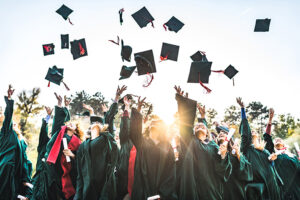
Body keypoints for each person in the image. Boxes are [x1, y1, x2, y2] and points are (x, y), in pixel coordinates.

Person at [175, 86, 231, 200]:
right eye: (196, 126)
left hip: (211, 188)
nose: (199, 126)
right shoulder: (190, 141)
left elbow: (222, 169)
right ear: (193, 131)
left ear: (207, 132)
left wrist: (224, 155)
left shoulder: (213, 146)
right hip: (192, 187)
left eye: (203, 126)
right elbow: (185, 125)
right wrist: (183, 103)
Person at [74, 86, 125, 200]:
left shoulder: (106, 138)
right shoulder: (83, 146)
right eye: (93, 123)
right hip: (88, 189)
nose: (95, 124)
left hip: (105, 186)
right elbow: (80, 175)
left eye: (98, 123)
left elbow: (109, 118)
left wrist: (116, 99)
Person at [129, 94, 177, 200]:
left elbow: (171, 171)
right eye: (152, 123)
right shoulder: (142, 142)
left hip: (161, 190)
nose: (154, 124)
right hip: (143, 188)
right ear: (149, 127)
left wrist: (162, 194)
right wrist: (138, 109)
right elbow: (134, 131)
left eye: (157, 123)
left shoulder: (166, 146)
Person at [237, 97, 282, 200]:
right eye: (250, 131)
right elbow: (245, 133)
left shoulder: (265, 151)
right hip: (255, 190)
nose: (252, 132)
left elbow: (271, 166)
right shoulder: (246, 148)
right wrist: (243, 109)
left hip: (270, 186)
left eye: (254, 131)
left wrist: (272, 160)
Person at [44, 93, 84, 200]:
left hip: (68, 172)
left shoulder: (78, 142)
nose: (70, 123)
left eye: (73, 124)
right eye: (69, 123)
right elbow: (59, 120)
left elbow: (82, 159)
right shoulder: (59, 133)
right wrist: (60, 104)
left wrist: (72, 155)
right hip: (54, 168)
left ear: (76, 129)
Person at [0, 85, 32, 200]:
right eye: (10, 124)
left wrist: (25, 178)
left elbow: (24, 158)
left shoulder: (20, 141)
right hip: (6, 168)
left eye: (14, 124)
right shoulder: (5, 133)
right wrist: (9, 100)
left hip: (17, 170)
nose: (12, 125)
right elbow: (8, 117)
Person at [263, 108, 300, 200]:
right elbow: (267, 137)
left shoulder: (292, 156)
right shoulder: (272, 154)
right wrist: (270, 121)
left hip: (296, 191)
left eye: (279, 139)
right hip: (280, 191)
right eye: (275, 140)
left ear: (284, 144)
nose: (277, 140)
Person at [217, 133, 253, 200]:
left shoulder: (235, 153)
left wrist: (238, 155)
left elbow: (247, 170)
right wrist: (222, 155)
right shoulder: (215, 152)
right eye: (219, 134)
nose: (221, 133)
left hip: (236, 187)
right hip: (222, 188)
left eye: (224, 134)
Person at [115, 95, 136, 200]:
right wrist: (127, 108)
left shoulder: (140, 143)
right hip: (123, 183)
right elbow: (124, 128)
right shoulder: (125, 141)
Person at [32, 106, 53, 200]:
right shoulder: (44, 144)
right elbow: (43, 131)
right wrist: (48, 116)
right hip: (40, 178)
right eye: (51, 134)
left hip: (51, 180)